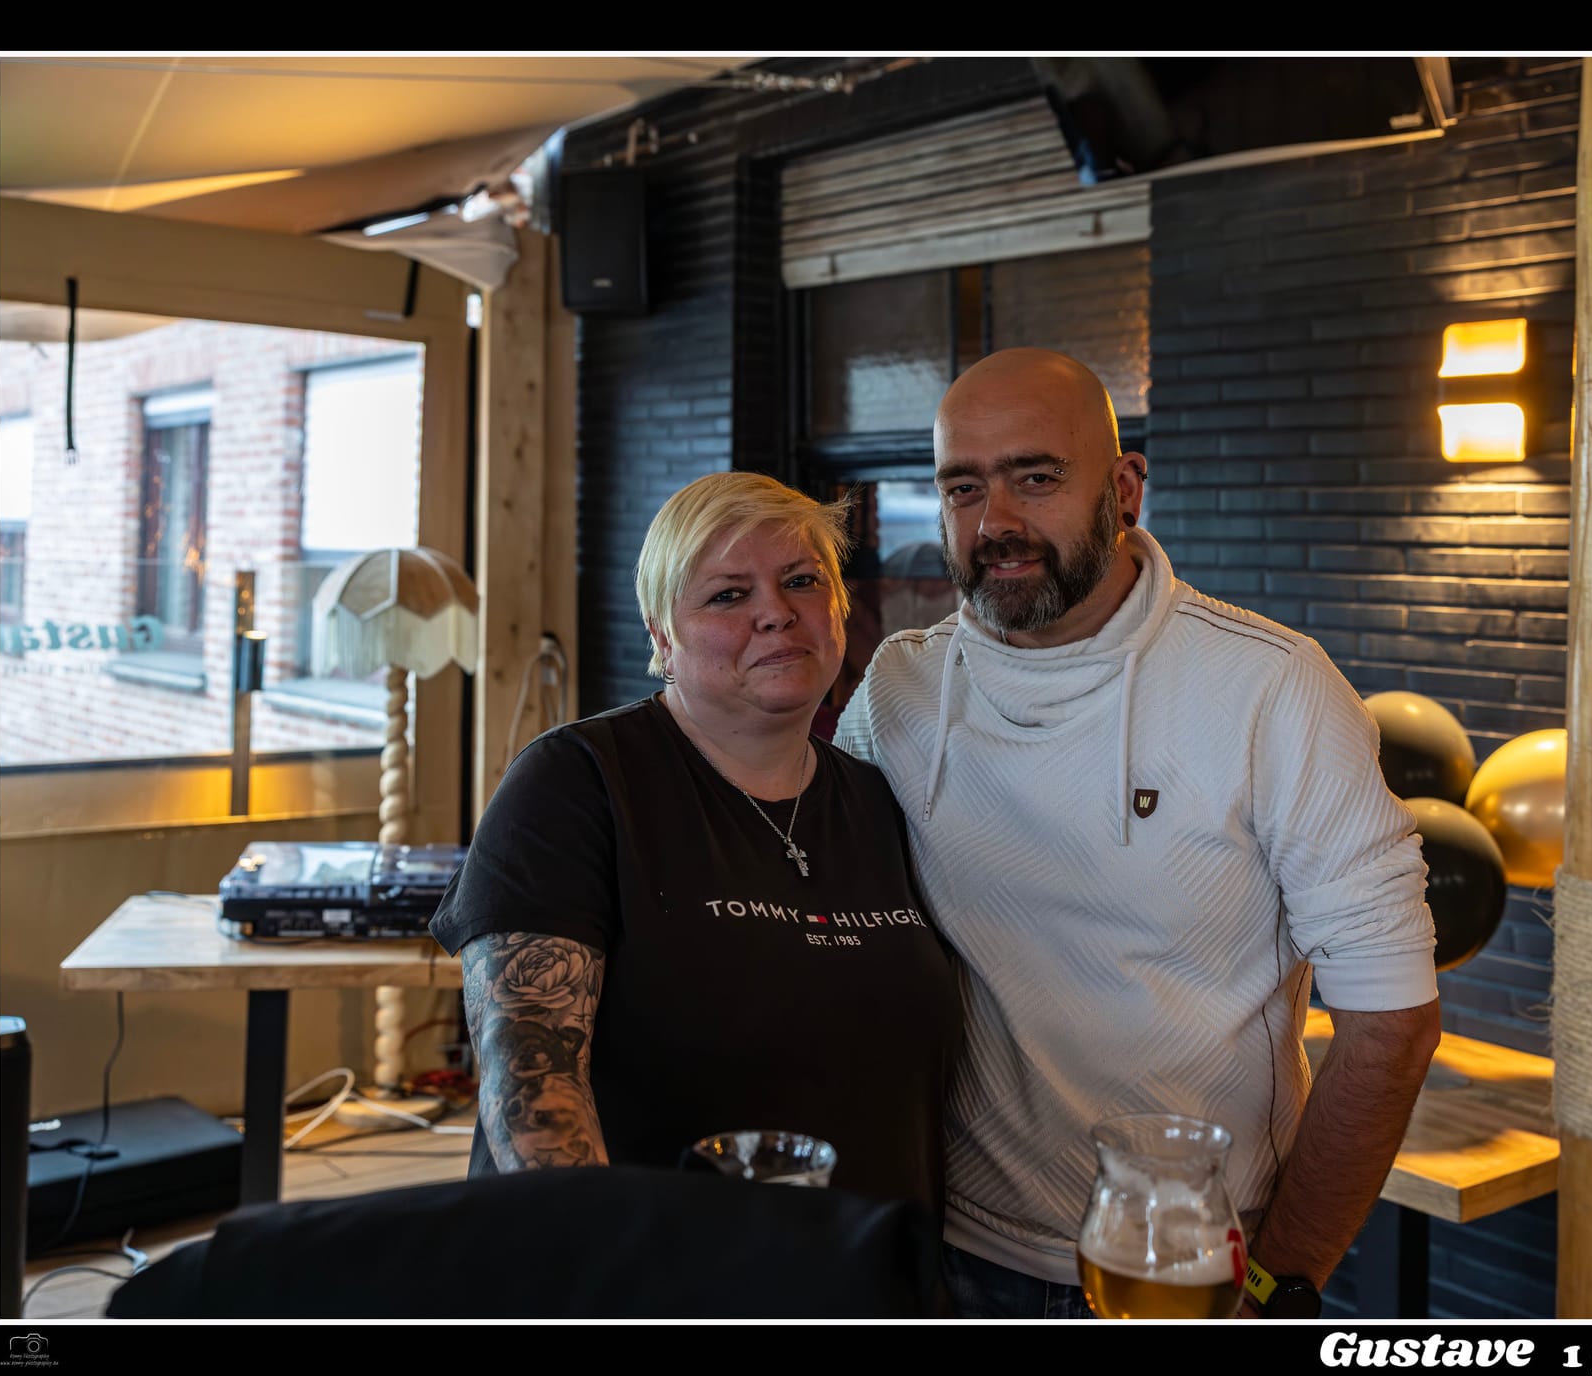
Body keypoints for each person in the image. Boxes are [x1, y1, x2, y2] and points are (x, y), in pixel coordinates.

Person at [834, 348, 1442, 1319]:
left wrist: (1279, 1285)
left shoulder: (1272, 688)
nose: (994, 522)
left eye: (1036, 477)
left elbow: (1392, 1018)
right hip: (939, 1249)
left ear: (1124, 489)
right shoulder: (901, 685)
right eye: (962, 487)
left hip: (1184, 1261)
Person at [431, 472, 963, 1220]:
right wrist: (613, 1260)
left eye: (801, 581)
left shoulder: (884, 798)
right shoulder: (577, 782)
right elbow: (530, 1080)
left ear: (840, 607)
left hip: (866, 1269)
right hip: (649, 1266)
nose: (776, 613)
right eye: (727, 595)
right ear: (662, 636)